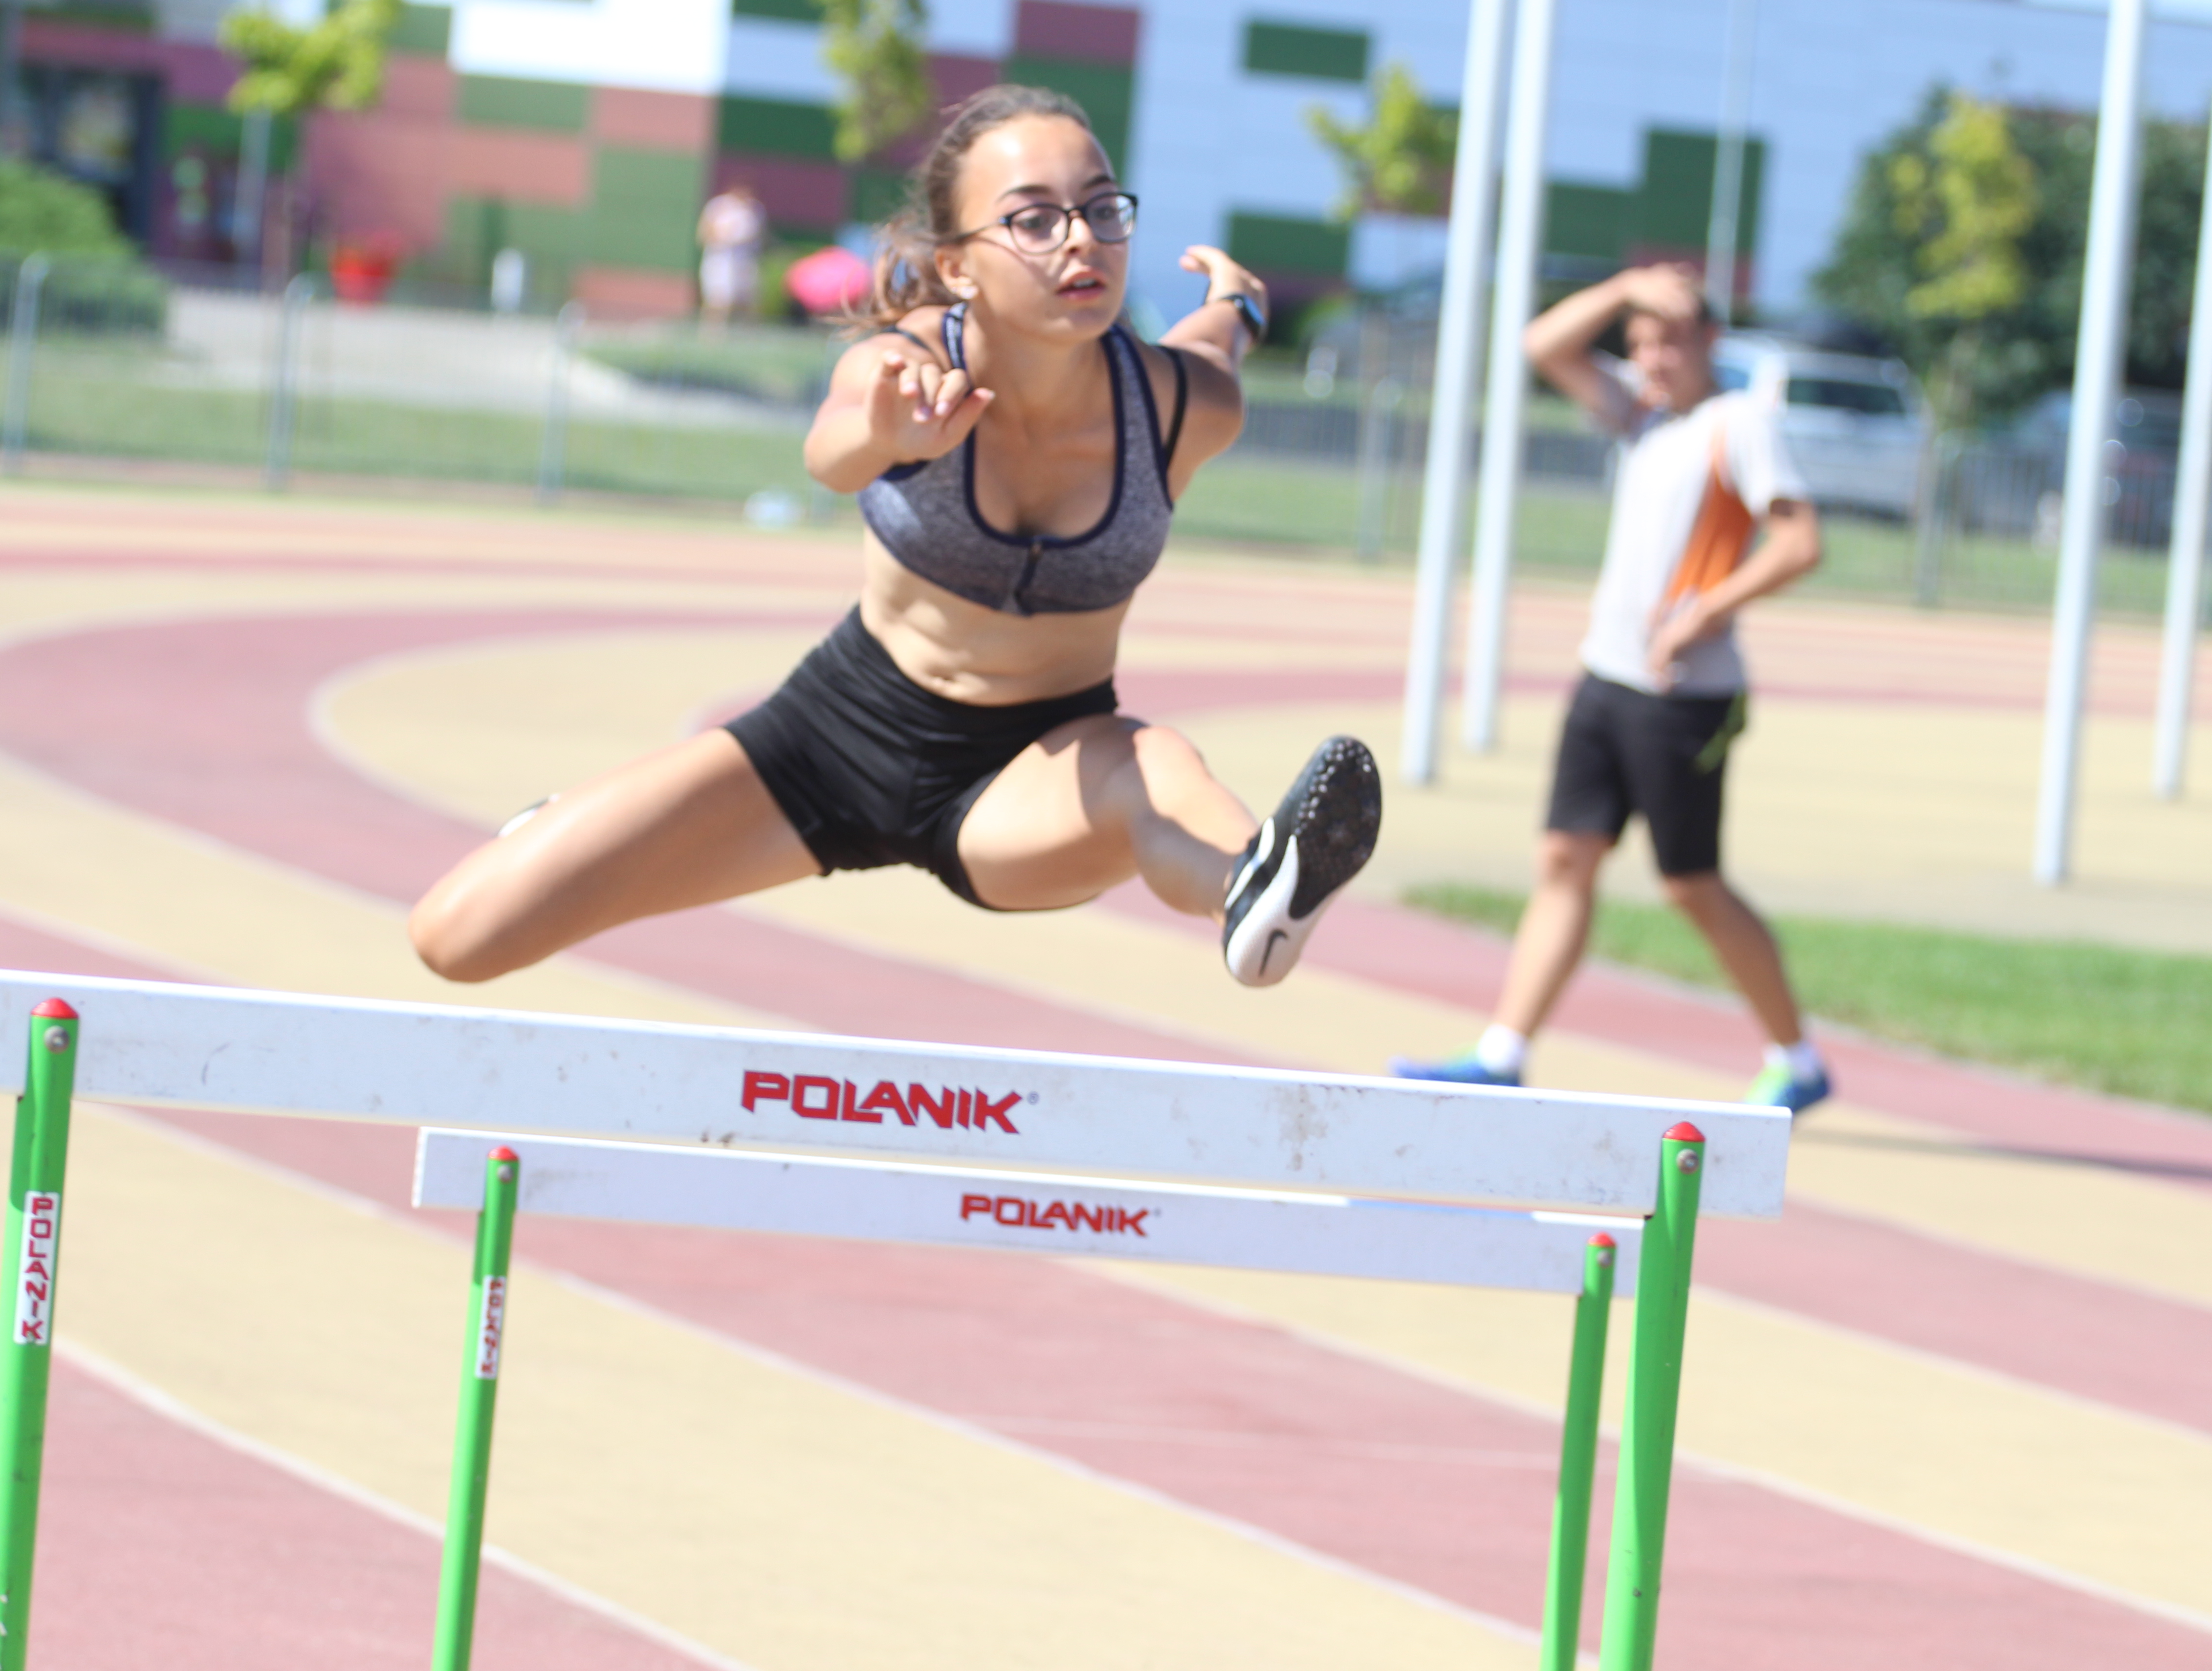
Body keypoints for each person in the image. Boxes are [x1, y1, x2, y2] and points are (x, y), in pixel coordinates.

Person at [409, 85, 1380, 993]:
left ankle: (1258, 891)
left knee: (1152, 761)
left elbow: (1216, 342)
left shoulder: (1177, 408)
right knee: (456, 938)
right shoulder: (906, 366)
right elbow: (830, 455)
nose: (1080, 239)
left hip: (1035, 772)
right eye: (1035, 217)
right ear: (958, 265)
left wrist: (1238, 302)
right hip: (829, 739)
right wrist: (889, 436)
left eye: (1100, 210)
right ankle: (576, 832)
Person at [1392, 265, 1831, 1113]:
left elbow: (1798, 543)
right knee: (1563, 858)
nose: (1650, 358)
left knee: (1689, 884)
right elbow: (1540, 346)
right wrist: (1629, 286)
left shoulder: (1734, 425)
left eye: (1668, 339)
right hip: (1606, 676)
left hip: (1683, 696)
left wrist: (1708, 610)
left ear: (1709, 342)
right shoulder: (1641, 418)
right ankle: (1502, 1051)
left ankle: (1798, 1057)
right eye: (1637, 344)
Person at [698, 182, 765, 326]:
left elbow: (757, 235)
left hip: (744, 258)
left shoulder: (754, 208)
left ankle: (743, 332)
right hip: (721, 257)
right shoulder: (719, 205)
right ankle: (712, 331)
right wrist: (724, 238)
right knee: (719, 297)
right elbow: (705, 232)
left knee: (746, 298)